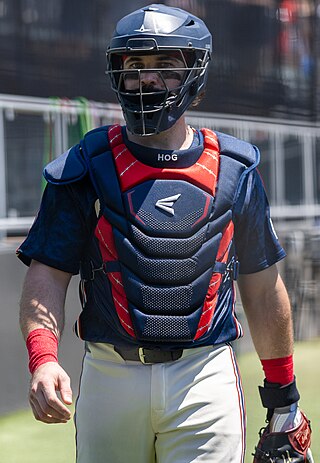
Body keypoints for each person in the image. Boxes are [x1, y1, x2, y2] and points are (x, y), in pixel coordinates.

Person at [18, 4, 313, 463]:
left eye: (164, 66)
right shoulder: (86, 166)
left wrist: (284, 398)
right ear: (117, 72)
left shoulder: (235, 171)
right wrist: (44, 357)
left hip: (204, 377)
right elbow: (47, 275)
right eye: (134, 65)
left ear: (194, 74)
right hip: (110, 376)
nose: (147, 79)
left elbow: (262, 289)